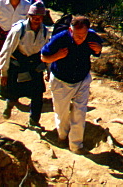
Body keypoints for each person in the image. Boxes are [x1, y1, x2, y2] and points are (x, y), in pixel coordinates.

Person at [40, 15, 103, 154]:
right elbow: (44, 56)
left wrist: (98, 50)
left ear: (88, 31)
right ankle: (62, 136)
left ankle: (76, 146)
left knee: (79, 113)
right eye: (77, 35)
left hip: (82, 80)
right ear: (70, 30)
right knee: (61, 113)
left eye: (83, 35)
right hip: (61, 80)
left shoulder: (92, 37)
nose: (80, 38)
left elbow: (98, 50)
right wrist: (57, 56)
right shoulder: (60, 38)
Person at [0, 0, 50, 128]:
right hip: (18, 64)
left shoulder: (45, 32)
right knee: (15, 92)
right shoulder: (18, 30)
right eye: (34, 17)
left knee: (38, 94)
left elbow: (46, 52)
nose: (37, 20)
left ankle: (34, 121)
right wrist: (3, 72)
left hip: (34, 65)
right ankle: (10, 103)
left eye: (39, 17)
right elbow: (6, 51)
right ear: (29, 16)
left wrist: (49, 71)